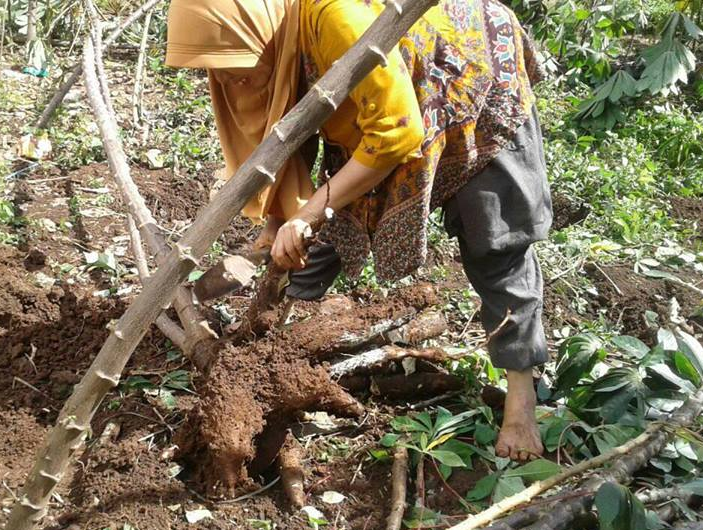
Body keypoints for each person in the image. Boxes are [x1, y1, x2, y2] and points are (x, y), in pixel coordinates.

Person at [166, 0, 552, 460]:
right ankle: (268, 338)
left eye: (235, 69)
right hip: (379, 112)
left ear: (258, 31)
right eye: (218, 73)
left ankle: (521, 404)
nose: (230, 83)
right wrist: (279, 222)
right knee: (322, 227)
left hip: (470, 90)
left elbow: (397, 131)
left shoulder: (335, 19)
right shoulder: (277, 35)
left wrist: (305, 214)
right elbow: (289, 133)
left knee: (495, 244)